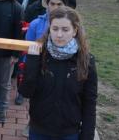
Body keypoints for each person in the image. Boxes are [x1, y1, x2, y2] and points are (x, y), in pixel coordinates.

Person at [19, 7, 97, 140]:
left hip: (69, 133)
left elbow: (89, 102)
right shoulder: (40, 55)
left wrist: (87, 136)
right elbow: (26, 92)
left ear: (75, 31)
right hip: (39, 130)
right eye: (55, 29)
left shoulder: (85, 60)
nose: (59, 35)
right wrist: (32, 61)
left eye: (65, 30)